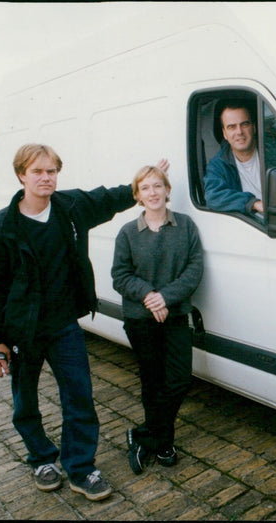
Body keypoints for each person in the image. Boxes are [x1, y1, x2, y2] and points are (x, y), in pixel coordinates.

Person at [0, 143, 168, 501]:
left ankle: (81, 468)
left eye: (52, 171)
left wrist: (141, 185)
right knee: (25, 401)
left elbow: (106, 199)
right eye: (37, 172)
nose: (46, 178)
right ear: (21, 176)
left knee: (80, 397)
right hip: (21, 331)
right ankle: (42, 459)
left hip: (63, 326)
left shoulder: (70, 208)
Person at [111, 165, 203, 474]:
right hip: (140, 318)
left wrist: (166, 297)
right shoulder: (127, 233)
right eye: (145, 188)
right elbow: (120, 276)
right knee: (153, 382)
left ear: (167, 190)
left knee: (178, 380)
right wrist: (150, 296)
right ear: (137, 195)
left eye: (157, 186)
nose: (152, 192)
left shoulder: (186, 226)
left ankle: (144, 435)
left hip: (175, 315)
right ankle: (164, 443)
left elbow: (194, 269)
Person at [203, 99, 265, 214]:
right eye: (232, 127)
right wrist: (253, 203)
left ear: (254, 127)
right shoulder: (218, 165)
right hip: (251, 226)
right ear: (224, 134)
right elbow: (212, 197)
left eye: (244, 124)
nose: (239, 132)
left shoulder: (274, 152)